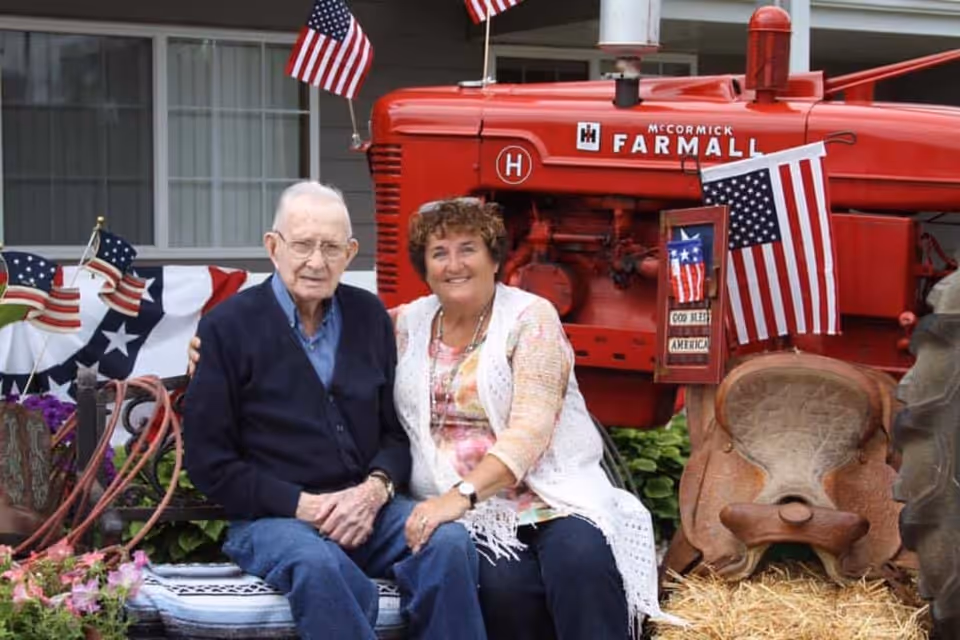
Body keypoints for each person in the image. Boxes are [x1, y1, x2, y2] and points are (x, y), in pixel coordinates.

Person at [181, 182, 487, 640]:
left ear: (350, 253)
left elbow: (394, 435)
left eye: (330, 247)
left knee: (446, 540)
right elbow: (209, 464)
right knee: (316, 564)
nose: (316, 262)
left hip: (369, 513)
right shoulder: (228, 327)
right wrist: (303, 505)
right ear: (273, 247)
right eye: (303, 245)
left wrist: (373, 491)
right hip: (274, 520)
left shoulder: (369, 317)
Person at [393, 197, 682, 639]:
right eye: (439, 252)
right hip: (478, 515)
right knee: (508, 590)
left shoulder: (530, 317)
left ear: (494, 257)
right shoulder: (408, 324)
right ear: (425, 268)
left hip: (552, 494)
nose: (454, 264)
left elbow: (531, 428)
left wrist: (459, 496)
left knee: (582, 562)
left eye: (468, 248)